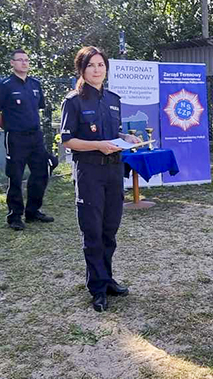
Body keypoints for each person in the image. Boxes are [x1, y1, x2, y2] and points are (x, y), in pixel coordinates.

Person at [60, 46, 141, 312]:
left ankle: (107, 280)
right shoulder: (73, 101)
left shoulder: (113, 99)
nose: (97, 70)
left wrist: (125, 138)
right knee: (92, 232)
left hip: (113, 171)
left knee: (109, 230)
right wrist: (98, 145)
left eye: (101, 65)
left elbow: (113, 132)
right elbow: (68, 141)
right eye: (91, 65)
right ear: (81, 70)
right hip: (90, 172)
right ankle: (96, 288)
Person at [0, 49, 55, 230]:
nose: (24, 63)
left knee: (41, 172)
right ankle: (15, 216)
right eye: (20, 60)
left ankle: (33, 211)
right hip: (16, 138)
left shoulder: (35, 84)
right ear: (12, 63)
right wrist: (9, 127)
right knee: (16, 177)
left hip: (35, 136)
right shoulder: (4, 86)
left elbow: (37, 108)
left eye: (26, 60)